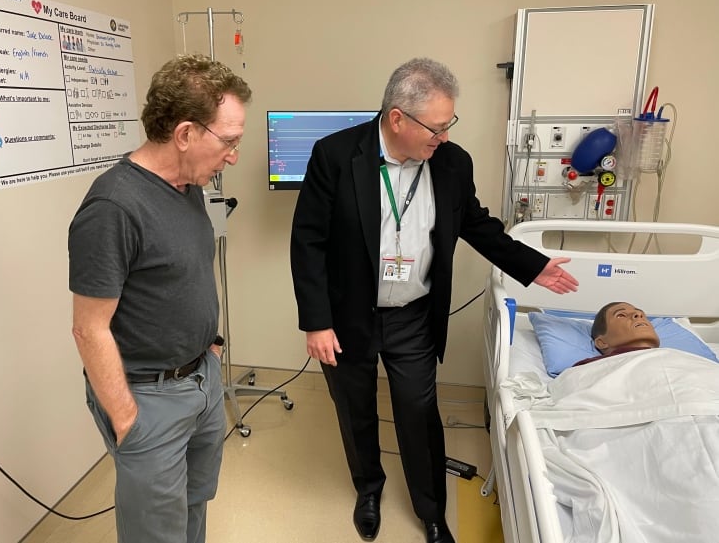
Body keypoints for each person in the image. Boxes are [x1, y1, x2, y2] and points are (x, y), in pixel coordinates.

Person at [289, 57, 578, 543]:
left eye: (449, 126)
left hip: (413, 315)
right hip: (347, 315)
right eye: (436, 128)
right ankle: (369, 489)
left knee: (418, 413)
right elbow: (308, 242)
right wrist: (316, 323)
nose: (443, 137)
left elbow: (475, 223)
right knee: (354, 407)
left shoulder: (451, 162)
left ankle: (431, 510)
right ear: (397, 118)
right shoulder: (335, 155)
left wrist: (532, 264)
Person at [68, 55, 251, 543]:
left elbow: (183, 276)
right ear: (186, 133)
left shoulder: (189, 186)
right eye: (229, 140)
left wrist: (209, 348)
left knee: (193, 506)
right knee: (156, 532)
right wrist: (129, 420)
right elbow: (89, 328)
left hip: (201, 378)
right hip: (148, 397)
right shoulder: (113, 206)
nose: (234, 154)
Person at [575, 301, 660, 366]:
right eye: (621, 315)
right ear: (602, 342)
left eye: (642, 315)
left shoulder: (672, 355)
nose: (638, 314)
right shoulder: (585, 369)